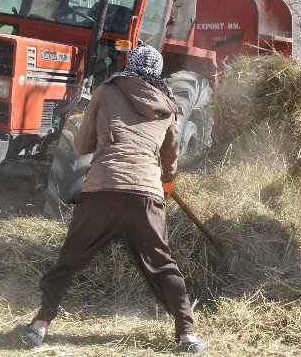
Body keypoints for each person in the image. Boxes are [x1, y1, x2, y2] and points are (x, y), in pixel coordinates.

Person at [17, 45, 208, 353]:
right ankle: (188, 334)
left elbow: (81, 144)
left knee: (71, 258)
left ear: (129, 64)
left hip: (102, 190)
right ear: (158, 72)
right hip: (146, 194)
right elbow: (170, 157)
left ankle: (39, 326)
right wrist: (166, 181)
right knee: (161, 264)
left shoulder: (107, 90)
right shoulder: (168, 105)